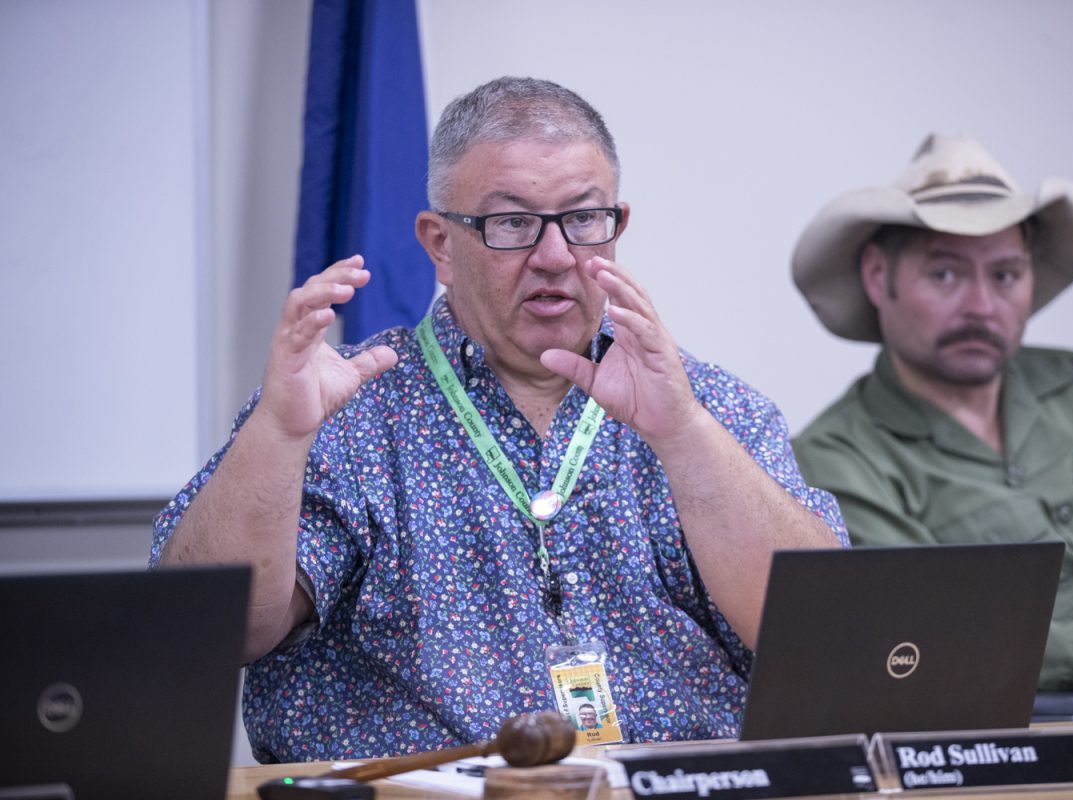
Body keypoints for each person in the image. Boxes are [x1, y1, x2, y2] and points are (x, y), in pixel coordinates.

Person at [151, 76, 846, 763]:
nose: (555, 257)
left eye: (582, 219)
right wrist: (278, 433)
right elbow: (205, 632)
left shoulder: (712, 406)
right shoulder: (347, 408)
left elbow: (823, 634)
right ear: (440, 244)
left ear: (617, 225)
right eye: (512, 223)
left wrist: (684, 434)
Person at [789, 132, 1073, 714]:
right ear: (879, 278)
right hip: (1057, 740)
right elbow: (933, 634)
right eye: (946, 275)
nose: (982, 306)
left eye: (1005, 275)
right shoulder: (838, 455)